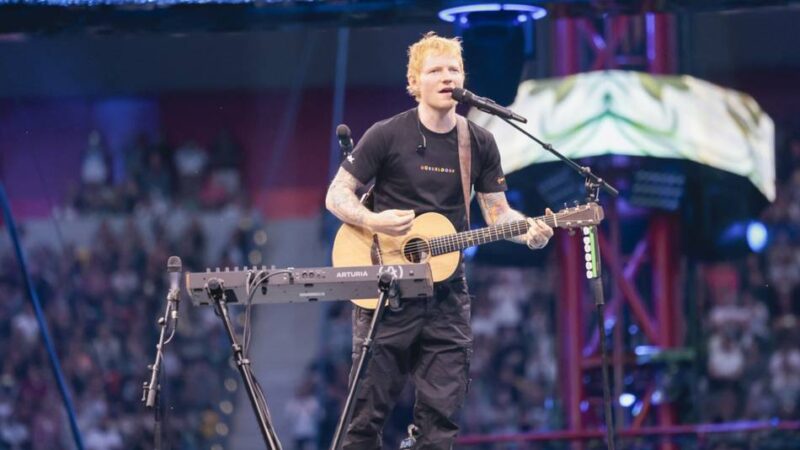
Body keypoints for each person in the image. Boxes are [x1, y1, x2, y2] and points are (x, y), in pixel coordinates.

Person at [325, 32, 553, 449]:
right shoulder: (386, 134)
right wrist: (372, 218)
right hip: (387, 293)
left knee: (441, 424)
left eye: (454, 69)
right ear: (415, 82)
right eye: (435, 70)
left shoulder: (478, 141)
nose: (447, 77)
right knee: (363, 421)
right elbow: (336, 194)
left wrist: (529, 234)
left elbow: (499, 215)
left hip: (446, 296)